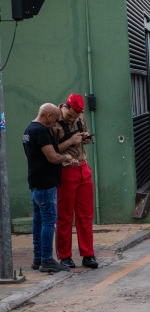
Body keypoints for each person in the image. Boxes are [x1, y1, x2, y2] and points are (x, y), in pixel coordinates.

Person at [23, 103, 76, 272]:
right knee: (48, 221)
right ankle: (46, 259)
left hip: (35, 182)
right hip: (46, 183)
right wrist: (66, 157)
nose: (55, 123)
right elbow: (52, 157)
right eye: (54, 119)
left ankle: (38, 258)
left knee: (38, 221)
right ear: (48, 116)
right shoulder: (41, 131)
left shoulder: (29, 130)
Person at [50, 94, 98, 269]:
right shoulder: (54, 121)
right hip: (65, 170)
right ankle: (65, 256)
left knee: (85, 215)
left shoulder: (80, 117)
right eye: (70, 116)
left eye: (75, 117)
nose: (72, 119)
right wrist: (70, 140)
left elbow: (84, 141)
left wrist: (85, 138)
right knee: (64, 215)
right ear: (64, 108)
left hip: (82, 167)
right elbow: (51, 149)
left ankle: (88, 254)